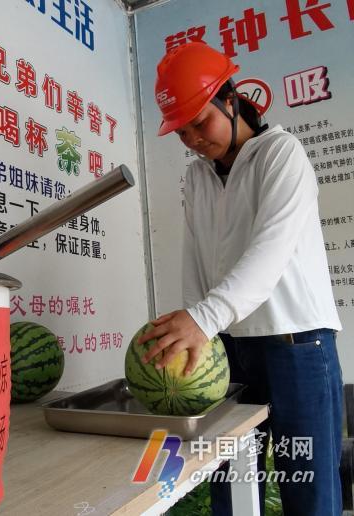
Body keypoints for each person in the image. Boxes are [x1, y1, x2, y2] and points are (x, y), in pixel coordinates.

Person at [140, 41, 344, 516]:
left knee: (310, 492)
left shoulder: (281, 154)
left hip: (298, 345)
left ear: (230, 101)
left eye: (200, 123)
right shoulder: (198, 177)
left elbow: (269, 253)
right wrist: (199, 337)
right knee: (231, 485)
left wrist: (203, 318)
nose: (193, 139)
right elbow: (195, 259)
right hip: (229, 347)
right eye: (182, 131)